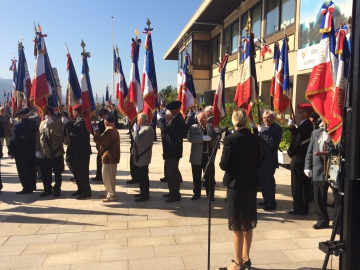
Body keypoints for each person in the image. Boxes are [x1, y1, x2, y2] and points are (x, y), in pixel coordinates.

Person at [219, 108, 262, 270]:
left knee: (236, 223)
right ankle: (245, 256)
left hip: (236, 185)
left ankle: (238, 263)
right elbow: (259, 161)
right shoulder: (255, 139)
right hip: (250, 183)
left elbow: (224, 164)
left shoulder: (230, 139)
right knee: (247, 222)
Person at [304, 125, 338, 229]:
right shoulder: (315, 132)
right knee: (319, 196)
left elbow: (343, 149)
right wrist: (307, 166)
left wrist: (331, 142)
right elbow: (310, 150)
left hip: (334, 166)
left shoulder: (339, 132)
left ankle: (338, 223)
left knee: (337, 197)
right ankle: (322, 220)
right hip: (318, 168)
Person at [286, 103, 315, 215]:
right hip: (304, 158)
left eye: (301, 112)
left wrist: (290, 152)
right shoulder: (308, 124)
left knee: (298, 185)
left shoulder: (305, 125)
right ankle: (304, 206)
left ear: (307, 113)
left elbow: (297, 141)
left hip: (299, 159)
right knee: (305, 185)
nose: (299, 114)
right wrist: (293, 128)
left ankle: (299, 207)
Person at [157, 100, 185, 202]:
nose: (171, 111)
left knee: (172, 173)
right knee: (170, 172)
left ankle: (175, 195)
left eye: (172, 109)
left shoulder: (178, 120)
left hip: (173, 151)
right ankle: (172, 192)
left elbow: (165, 129)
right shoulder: (175, 119)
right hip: (170, 150)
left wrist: (159, 119)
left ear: (177, 109)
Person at [62, 104, 92, 200]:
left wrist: (68, 123)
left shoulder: (83, 121)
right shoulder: (76, 121)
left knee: (82, 171)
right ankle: (80, 188)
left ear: (77, 112)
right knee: (74, 167)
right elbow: (69, 131)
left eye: (74, 111)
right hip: (74, 149)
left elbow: (77, 131)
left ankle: (86, 191)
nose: (72, 113)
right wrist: (65, 124)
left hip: (81, 150)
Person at [256, 110, 282, 211]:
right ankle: (266, 199)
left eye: (268, 117)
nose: (266, 119)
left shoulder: (276, 128)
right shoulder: (263, 128)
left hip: (269, 159)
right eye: (264, 118)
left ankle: (271, 202)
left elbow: (273, 143)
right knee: (262, 182)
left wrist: (263, 132)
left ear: (273, 118)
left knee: (268, 182)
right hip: (261, 159)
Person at [36, 106, 65, 197]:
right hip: (44, 152)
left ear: (48, 113)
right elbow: (38, 138)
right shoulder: (42, 123)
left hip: (55, 152)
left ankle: (57, 189)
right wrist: (37, 150)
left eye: (43, 113)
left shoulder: (58, 121)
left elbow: (59, 134)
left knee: (57, 172)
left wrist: (51, 123)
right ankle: (47, 189)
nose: (42, 115)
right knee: (45, 172)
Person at [8, 108, 37, 194]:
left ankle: (27, 188)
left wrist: (10, 151)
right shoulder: (33, 123)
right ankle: (33, 185)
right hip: (32, 149)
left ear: (20, 117)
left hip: (20, 151)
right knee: (32, 168)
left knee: (22, 170)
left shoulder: (17, 126)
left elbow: (14, 140)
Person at [188, 111, 215, 201]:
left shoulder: (210, 127)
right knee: (196, 175)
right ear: (197, 119)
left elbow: (214, 137)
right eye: (201, 118)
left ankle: (210, 194)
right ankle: (197, 193)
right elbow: (191, 138)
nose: (203, 119)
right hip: (197, 156)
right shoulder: (193, 127)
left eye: (205, 117)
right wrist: (202, 138)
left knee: (209, 176)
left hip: (207, 155)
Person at [93, 113, 120, 202]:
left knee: (109, 177)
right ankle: (108, 192)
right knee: (106, 177)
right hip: (108, 157)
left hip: (109, 158)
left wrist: (96, 132)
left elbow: (100, 141)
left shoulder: (110, 131)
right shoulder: (111, 130)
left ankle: (111, 195)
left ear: (106, 122)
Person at [132, 113, 154, 202]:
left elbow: (139, 142)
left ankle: (145, 195)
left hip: (143, 156)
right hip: (139, 155)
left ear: (141, 120)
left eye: (137, 119)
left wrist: (135, 132)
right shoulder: (142, 128)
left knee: (143, 176)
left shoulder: (147, 129)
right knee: (141, 176)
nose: (137, 121)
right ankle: (142, 192)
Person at [91, 107, 108, 182]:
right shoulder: (104, 122)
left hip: (102, 145)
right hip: (101, 145)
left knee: (101, 161)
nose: (100, 116)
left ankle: (101, 176)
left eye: (101, 115)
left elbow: (98, 133)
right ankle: (99, 175)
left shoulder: (102, 123)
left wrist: (95, 130)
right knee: (99, 160)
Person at [159, 110, 173, 183]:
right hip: (167, 147)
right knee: (168, 163)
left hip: (171, 148)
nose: (165, 117)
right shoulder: (169, 122)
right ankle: (167, 176)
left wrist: (159, 120)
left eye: (166, 116)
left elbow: (164, 129)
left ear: (169, 116)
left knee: (171, 166)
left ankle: (177, 178)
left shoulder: (172, 122)